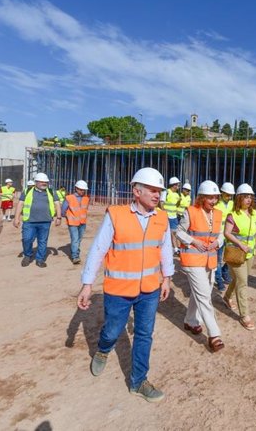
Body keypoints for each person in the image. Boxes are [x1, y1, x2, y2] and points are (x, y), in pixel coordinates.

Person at [76, 167, 173, 403]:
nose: (157, 195)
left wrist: (167, 278)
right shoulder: (116, 214)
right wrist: (87, 284)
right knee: (112, 330)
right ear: (136, 191)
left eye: (159, 191)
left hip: (149, 290)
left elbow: (166, 248)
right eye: (152, 190)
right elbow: (98, 249)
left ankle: (138, 382)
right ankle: (103, 349)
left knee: (144, 334)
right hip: (118, 291)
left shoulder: (162, 218)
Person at [176, 180, 225, 352]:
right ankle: (214, 334)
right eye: (210, 198)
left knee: (200, 292)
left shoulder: (218, 214)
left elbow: (221, 234)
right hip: (192, 259)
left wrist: (218, 243)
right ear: (202, 197)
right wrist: (193, 241)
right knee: (204, 295)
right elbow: (179, 232)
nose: (213, 201)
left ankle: (190, 321)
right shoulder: (191, 211)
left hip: (209, 259)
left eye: (215, 198)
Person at [222, 183, 256, 330]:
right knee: (243, 283)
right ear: (239, 198)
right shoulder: (232, 215)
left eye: (250, 197)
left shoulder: (253, 213)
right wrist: (240, 244)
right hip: (236, 253)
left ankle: (227, 297)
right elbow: (227, 233)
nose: (248, 200)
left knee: (240, 279)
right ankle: (245, 316)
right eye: (245, 197)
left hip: (249, 254)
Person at [13, 173, 61, 268]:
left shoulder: (51, 192)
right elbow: (20, 204)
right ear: (36, 182)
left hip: (45, 221)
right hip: (29, 221)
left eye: (46, 182)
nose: (44, 183)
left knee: (42, 241)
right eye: (42, 181)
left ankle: (40, 259)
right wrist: (16, 218)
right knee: (27, 239)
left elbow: (57, 204)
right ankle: (28, 255)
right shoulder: (27, 191)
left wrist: (58, 217)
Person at [214, 182, 235, 291]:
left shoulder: (232, 204)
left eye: (231, 195)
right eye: (227, 194)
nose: (229, 197)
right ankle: (218, 279)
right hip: (219, 236)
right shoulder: (216, 205)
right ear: (222, 193)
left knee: (230, 257)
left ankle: (225, 272)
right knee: (218, 259)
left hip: (229, 235)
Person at [62, 180, 90, 264]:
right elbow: (63, 209)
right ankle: (75, 256)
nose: (82, 191)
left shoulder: (86, 198)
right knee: (75, 239)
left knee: (79, 239)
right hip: (72, 223)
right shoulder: (69, 198)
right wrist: (65, 216)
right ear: (76, 188)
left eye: (84, 190)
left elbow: (85, 209)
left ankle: (75, 252)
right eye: (81, 189)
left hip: (82, 222)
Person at [159, 176, 181, 254]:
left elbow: (176, 205)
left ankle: (175, 248)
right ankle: (173, 249)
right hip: (167, 216)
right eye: (177, 185)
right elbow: (161, 203)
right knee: (168, 233)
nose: (178, 186)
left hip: (174, 216)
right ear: (173, 185)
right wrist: (164, 214)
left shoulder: (177, 195)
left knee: (174, 233)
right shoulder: (166, 192)